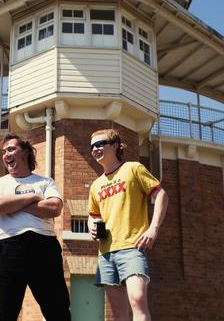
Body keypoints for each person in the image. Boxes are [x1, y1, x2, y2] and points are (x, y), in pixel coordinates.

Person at [0, 133, 71, 321]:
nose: (6, 154)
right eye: (3, 151)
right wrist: (32, 198)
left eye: (11, 149)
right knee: (1, 310)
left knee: (58, 308)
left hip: (44, 245)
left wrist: (13, 205)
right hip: (8, 247)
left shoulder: (44, 181)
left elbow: (54, 208)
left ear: (24, 151)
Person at [87, 129, 169, 321]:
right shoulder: (96, 185)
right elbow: (93, 215)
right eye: (92, 146)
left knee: (138, 299)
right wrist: (92, 225)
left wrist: (153, 228)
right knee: (118, 313)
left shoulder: (133, 168)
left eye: (100, 144)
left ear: (114, 145)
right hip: (106, 253)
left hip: (133, 247)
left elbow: (161, 195)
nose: (95, 149)